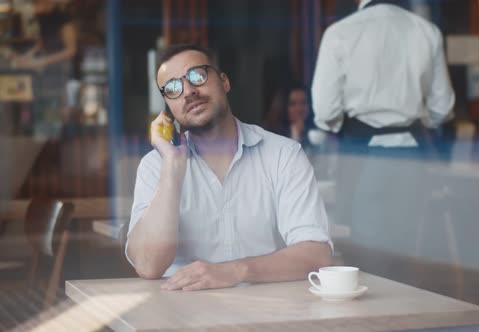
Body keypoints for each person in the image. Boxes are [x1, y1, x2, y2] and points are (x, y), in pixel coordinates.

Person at [126, 44, 332, 291]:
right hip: (181, 316)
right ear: (168, 108)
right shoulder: (155, 166)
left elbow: (316, 255)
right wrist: (172, 167)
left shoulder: (283, 155)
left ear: (224, 82)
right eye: (172, 88)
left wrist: (236, 270)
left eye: (197, 76)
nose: (188, 91)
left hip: (268, 313)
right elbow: (149, 266)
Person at [311, 0, 455, 248]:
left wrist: (340, 124)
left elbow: (325, 111)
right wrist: (417, 119)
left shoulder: (340, 33)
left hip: (361, 153)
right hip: (412, 154)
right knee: (410, 250)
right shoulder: (426, 31)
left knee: (366, 254)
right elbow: (442, 108)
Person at [13, 0, 78, 138]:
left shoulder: (63, 19)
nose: (34, 9)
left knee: (51, 115)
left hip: (59, 73)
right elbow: (42, 42)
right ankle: (44, 140)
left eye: (37, 5)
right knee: (43, 113)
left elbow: (71, 50)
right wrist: (27, 56)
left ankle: (49, 143)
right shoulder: (43, 19)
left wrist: (42, 61)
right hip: (46, 74)